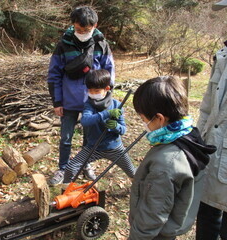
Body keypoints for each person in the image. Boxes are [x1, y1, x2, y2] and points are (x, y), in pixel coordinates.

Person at [128, 76, 216, 240]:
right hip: (168, 227)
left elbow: (152, 216)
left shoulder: (165, 164)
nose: (143, 124)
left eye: (143, 119)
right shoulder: (188, 136)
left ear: (160, 119)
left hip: (154, 235)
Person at [47, 6, 115, 186]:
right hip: (68, 101)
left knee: (90, 138)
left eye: (86, 30)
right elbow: (54, 75)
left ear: (95, 25)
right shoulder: (63, 44)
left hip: (93, 101)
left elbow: (109, 72)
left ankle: (86, 165)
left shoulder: (101, 44)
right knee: (66, 138)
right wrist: (57, 101)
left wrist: (106, 98)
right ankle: (63, 168)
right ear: (73, 25)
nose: (82, 33)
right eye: (78, 29)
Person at [62, 69, 135, 185]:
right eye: (89, 90)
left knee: (133, 173)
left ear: (107, 88)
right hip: (93, 148)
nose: (92, 93)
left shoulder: (117, 105)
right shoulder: (89, 105)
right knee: (70, 168)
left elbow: (123, 130)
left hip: (115, 148)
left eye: (96, 90)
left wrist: (116, 126)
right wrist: (106, 114)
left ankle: (139, 189)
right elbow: (85, 121)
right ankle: (67, 192)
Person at [195, 1, 227, 239]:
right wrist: (195, 141)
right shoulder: (222, 56)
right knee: (205, 217)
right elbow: (206, 107)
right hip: (210, 153)